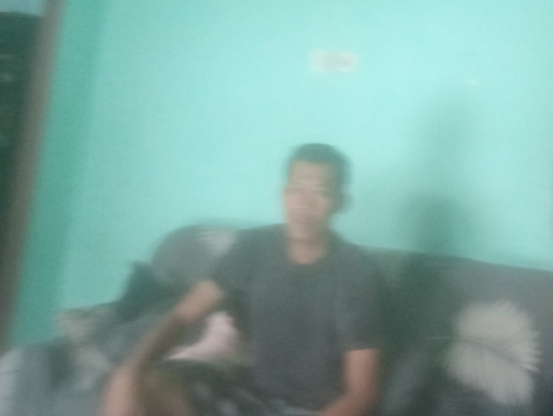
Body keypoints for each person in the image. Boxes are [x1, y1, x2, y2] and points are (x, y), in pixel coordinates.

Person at [100, 143, 381, 416]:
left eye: (320, 192)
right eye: (296, 189)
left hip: (309, 409)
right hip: (249, 395)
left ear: (341, 202)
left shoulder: (356, 275)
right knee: (142, 384)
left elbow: (362, 393)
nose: (304, 204)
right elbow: (183, 314)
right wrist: (129, 371)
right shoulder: (254, 247)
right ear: (283, 194)